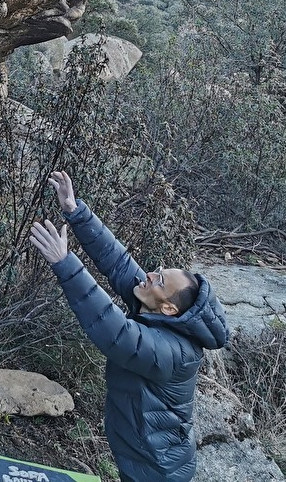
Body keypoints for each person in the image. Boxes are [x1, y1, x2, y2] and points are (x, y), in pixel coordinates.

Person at [28, 171, 229, 482]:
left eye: (159, 280)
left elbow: (116, 333)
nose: (150, 275)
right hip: (143, 452)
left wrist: (64, 262)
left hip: (157, 469)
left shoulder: (172, 353)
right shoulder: (160, 308)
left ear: (168, 307)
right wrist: (76, 212)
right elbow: (119, 263)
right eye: (159, 270)